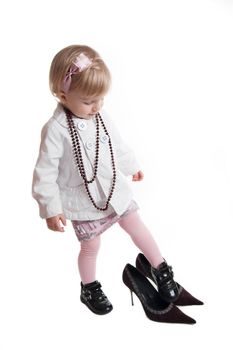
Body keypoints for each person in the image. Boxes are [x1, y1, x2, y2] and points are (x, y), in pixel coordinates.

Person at [32, 44, 179, 316]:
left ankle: (160, 268)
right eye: (89, 101)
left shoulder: (101, 115)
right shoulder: (55, 130)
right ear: (62, 94)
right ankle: (89, 287)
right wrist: (51, 209)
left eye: (101, 99)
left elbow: (116, 143)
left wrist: (130, 165)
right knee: (91, 245)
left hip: (114, 189)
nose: (97, 106)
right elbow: (45, 171)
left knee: (136, 224)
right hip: (83, 199)